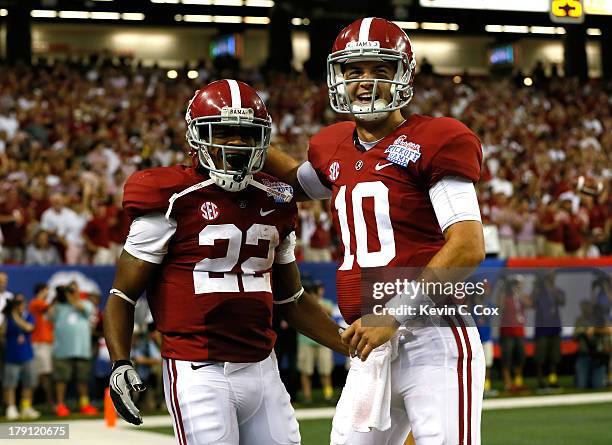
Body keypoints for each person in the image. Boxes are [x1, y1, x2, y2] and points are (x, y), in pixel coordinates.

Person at [264, 17, 486, 445]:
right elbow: (296, 183)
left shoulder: (437, 138)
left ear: (403, 75)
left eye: (380, 70)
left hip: (431, 334)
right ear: (338, 78)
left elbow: (467, 246)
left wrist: (392, 313)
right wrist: (247, 140)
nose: (366, 82)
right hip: (370, 343)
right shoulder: (332, 146)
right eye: (354, 71)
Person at [103, 79, 348, 445]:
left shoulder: (277, 198)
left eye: (247, 134)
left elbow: (291, 300)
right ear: (196, 136)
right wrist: (120, 362)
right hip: (198, 369)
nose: (235, 143)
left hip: (263, 367)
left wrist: (348, 346)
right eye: (224, 132)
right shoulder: (171, 197)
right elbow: (122, 295)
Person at [49, 284, 99, 417]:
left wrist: (70, 297)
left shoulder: (86, 304)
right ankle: (60, 405)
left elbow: (84, 310)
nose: (70, 293)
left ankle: (84, 404)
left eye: (73, 291)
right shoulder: (59, 306)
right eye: (69, 291)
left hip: (81, 349)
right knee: (61, 380)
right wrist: (57, 299)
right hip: (62, 350)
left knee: (82, 380)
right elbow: (49, 316)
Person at [1, 294, 40, 420]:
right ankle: (11, 408)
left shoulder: (28, 317)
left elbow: (29, 328)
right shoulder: (7, 318)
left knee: (29, 383)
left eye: (22, 303)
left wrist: (15, 316)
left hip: (27, 354)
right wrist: (9, 315)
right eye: (17, 303)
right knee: (10, 384)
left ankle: (26, 407)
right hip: (11, 355)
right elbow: (1, 332)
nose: (20, 306)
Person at [297, 281, 335, 403]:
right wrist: (309, 299)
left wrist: (315, 300)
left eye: (319, 288)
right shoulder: (303, 303)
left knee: (326, 371)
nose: (319, 290)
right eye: (316, 289)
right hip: (305, 340)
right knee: (306, 371)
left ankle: (328, 395)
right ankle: (307, 397)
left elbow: (328, 312)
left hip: (324, 342)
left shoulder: (326, 302)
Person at [28, 283, 55, 408]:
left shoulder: (44, 304)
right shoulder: (36, 303)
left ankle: (47, 402)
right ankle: (30, 403)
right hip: (39, 343)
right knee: (38, 375)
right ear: (41, 291)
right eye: (46, 290)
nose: (48, 293)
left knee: (45, 374)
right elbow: (49, 309)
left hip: (46, 343)